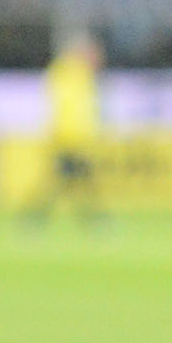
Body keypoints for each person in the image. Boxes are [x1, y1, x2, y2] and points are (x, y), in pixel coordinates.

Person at [34, 29, 105, 223]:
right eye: (94, 55)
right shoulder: (68, 73)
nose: (97, 60)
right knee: (74, 182)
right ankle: (94, 220)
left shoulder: (76, 74)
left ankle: (92, 219)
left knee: (67, 182)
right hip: (68, 138)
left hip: (74, 138)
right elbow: (68, 108)